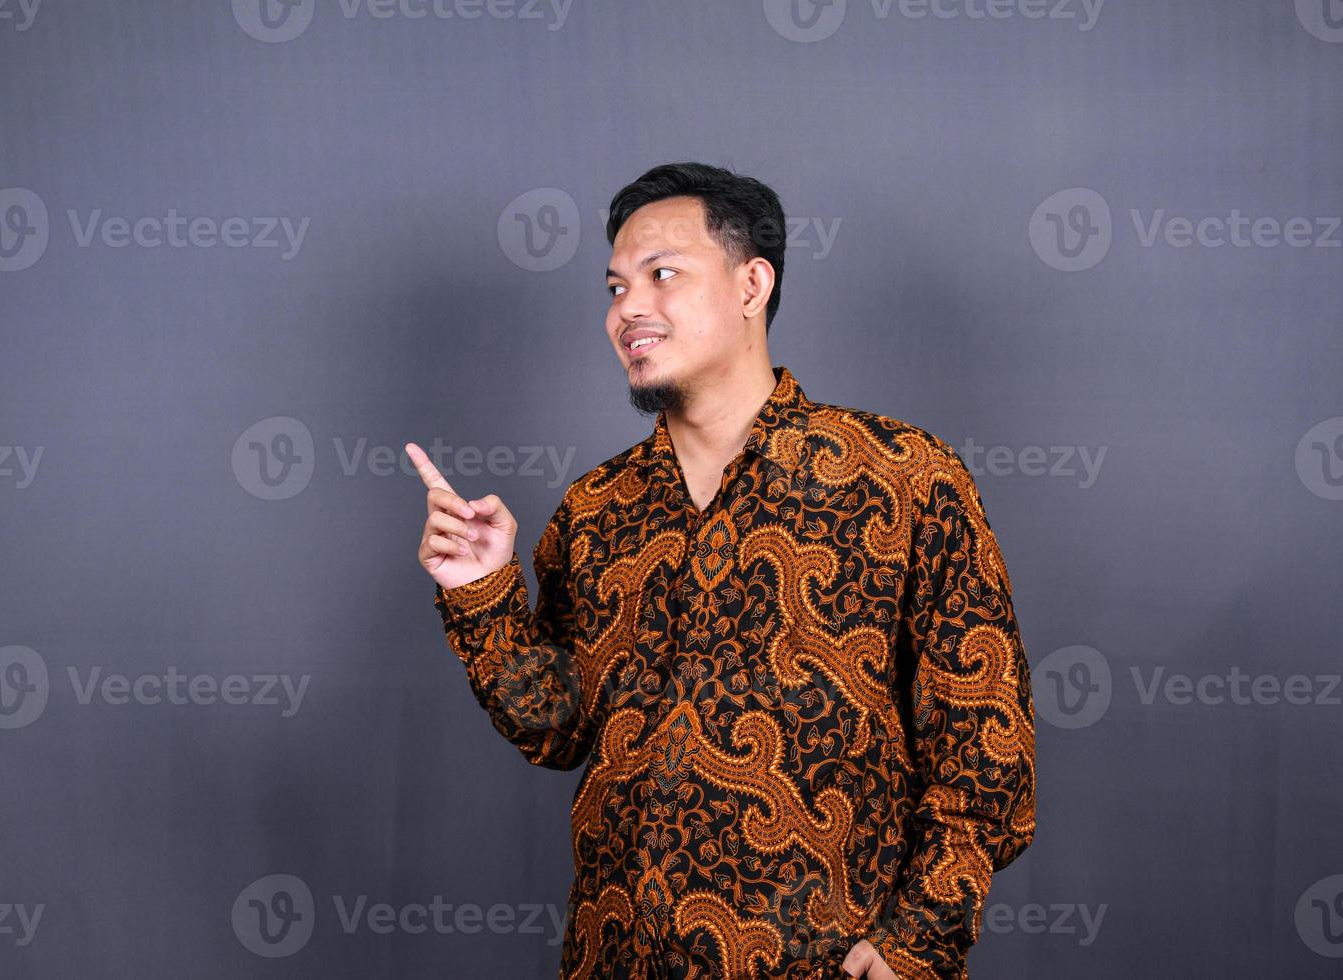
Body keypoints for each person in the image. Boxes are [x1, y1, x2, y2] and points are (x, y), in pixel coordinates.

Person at [408, 162, 1036, 980]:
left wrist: (916, 944)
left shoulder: (902, 477)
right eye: (614, 287)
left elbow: (986, 756)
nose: (627, 308)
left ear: (751, 284)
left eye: (661, 275)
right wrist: (481, 591)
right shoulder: (596, 508)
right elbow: (558, 729)